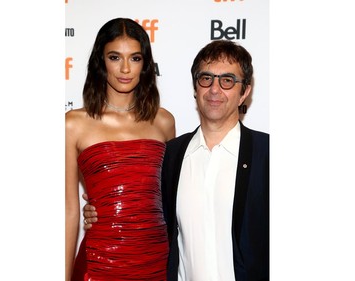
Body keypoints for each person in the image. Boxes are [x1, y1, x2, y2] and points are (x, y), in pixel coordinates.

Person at [83, 40, 269, 281]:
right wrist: (102, 210)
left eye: (227, 81)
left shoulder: (267, 155)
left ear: (244, 91)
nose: (214, 89)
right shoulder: (171, 155)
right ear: (195, 87)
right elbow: (146, 206)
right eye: (206, 78)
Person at [66, 18, 175, 281]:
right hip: (99, 261)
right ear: (100, 61)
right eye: (115, 57)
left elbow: (170, 199)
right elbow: (68, 209)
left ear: (145, 64)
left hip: (156, 260)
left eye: (135, 58)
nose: (125, 68)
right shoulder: (73, 124)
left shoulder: (164, 121)